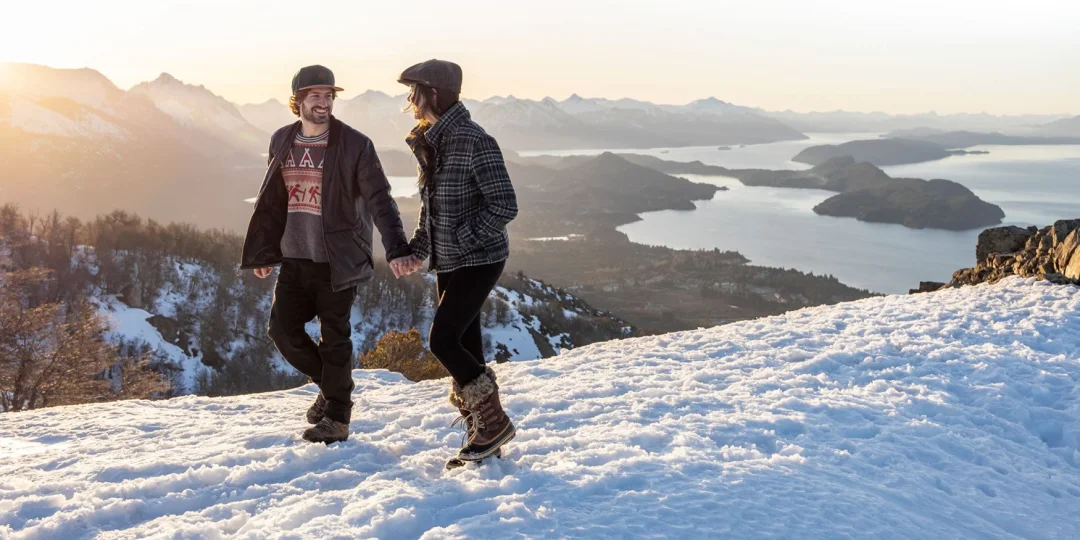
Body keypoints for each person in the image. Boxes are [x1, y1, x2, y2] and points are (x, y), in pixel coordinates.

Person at [240, 65, 416, 444]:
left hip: (338, 259)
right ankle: (334, 388)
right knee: (282, 330)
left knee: (335, 338)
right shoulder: (282, 139)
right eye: (316, 96)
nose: (324, 103)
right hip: (294, 257)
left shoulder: (355, 144)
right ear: (298, 101)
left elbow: (380, 199)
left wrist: (397, 247)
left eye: (329, 96)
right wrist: (264, 252)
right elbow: (274, 200)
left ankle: (337, 418)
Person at [393, 59, 520, 467]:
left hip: (480, 259)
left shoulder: (474, 140)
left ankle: (494, 424)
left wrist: (462, 238)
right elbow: (432, 209)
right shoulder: (433, 140)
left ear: (433, 94)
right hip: (449, 261)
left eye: (414, 91)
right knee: (467, 346)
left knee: (443, 340)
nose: (410, 100)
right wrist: (418, 249)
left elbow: (505, 205)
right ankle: (484, 439)